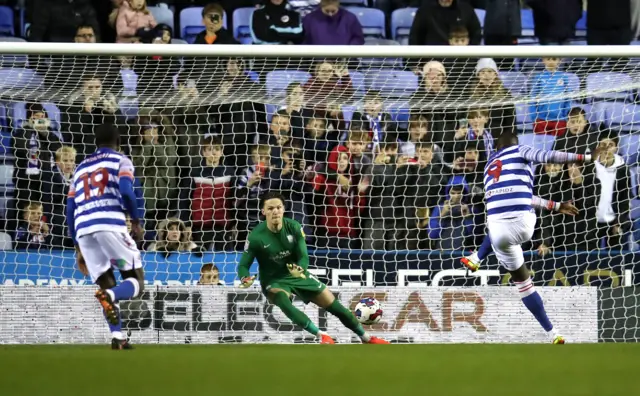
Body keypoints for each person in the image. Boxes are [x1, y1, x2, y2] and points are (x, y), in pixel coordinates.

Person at [460, 131, 603, 344]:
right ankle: (553, 333)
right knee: (525, 280)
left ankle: (478, 257)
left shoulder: (489, 166)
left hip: (498, 234)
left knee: (523, 284)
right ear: (515, 143)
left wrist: (555, 206)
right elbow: (550, 157)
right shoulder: (520, 150)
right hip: (523, 225)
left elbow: (519, 194)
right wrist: (587, 157)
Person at [237, 191, 389, 344]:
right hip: (274, 280)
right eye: (270, 209)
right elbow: (243, 265)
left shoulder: (294, 227)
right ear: (263, 211)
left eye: (278, 207)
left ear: (283, 208)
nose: (275, 211)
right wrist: (244, 278)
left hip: (298, 275)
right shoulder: (255, 237)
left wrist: (301, 269)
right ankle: (321, 335)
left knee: (336, 307)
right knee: (283, 300)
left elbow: (303, 256)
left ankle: (366, 338)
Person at [66, 123, 144, 350]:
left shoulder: (80, 168)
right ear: (118, 141)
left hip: (83, 229)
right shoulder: (121, 160)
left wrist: (77, 245)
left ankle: (118, 337)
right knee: (136, 281)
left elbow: (70, 207)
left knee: (105, 280)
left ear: (96, 143)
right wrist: (136, 220)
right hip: (109, 223)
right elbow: (127, 191)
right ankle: (110, 295)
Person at [530, 57, 572, 137]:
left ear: (559, 61)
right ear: (543, 60)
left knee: (558, 147)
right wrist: (534, 117)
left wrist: (565, 115)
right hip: (541, 120)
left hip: (560, 120)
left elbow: (568, 98)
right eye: (548, 59)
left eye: (554, 59)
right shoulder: (539, 77)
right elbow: (533, 98)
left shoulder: (563, 77)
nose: (551, 62)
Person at [408, 0, 481, 46]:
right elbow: (415, 38)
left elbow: (476, 35)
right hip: (433, 60)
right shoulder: (425, 10)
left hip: (461, 59)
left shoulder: (466, 10)